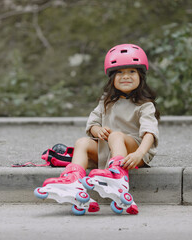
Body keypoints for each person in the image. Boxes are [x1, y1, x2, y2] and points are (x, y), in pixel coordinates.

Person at [40, 43, 160, 215]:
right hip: (108, 151)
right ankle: (74, 180)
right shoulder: (106, 101)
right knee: (82, 142)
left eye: (132, 71)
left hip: (134, 153)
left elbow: (150, 133)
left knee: (116, 136)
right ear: (111, 77)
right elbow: (92, 124)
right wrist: (97, 131)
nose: (125, 76)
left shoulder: (145, 105)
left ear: (141, 75)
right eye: (119, 72)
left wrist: (139, 154)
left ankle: (118, 176)